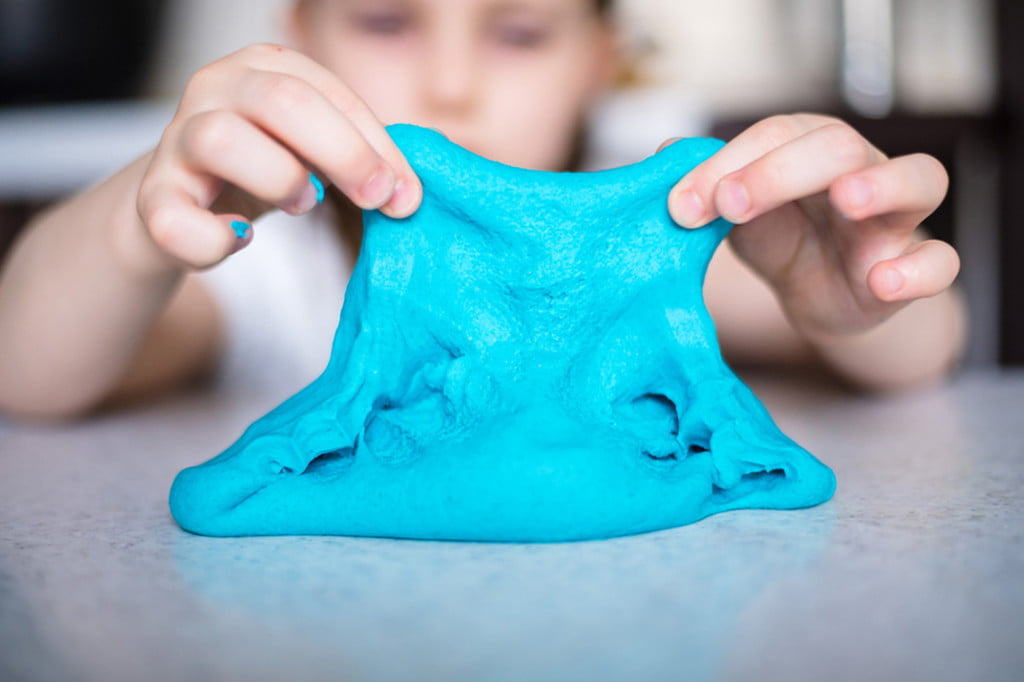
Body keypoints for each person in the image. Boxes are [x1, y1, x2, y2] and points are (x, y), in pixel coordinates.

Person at [0, 0, 964, 421]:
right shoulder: (267, 259)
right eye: (385, 20)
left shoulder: (650, 246)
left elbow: (922, 356)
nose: (449, 81)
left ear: (600, 62)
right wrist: (137, 230)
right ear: (300, 44)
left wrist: (858, 297)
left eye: (517, 31)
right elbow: (26, 372)